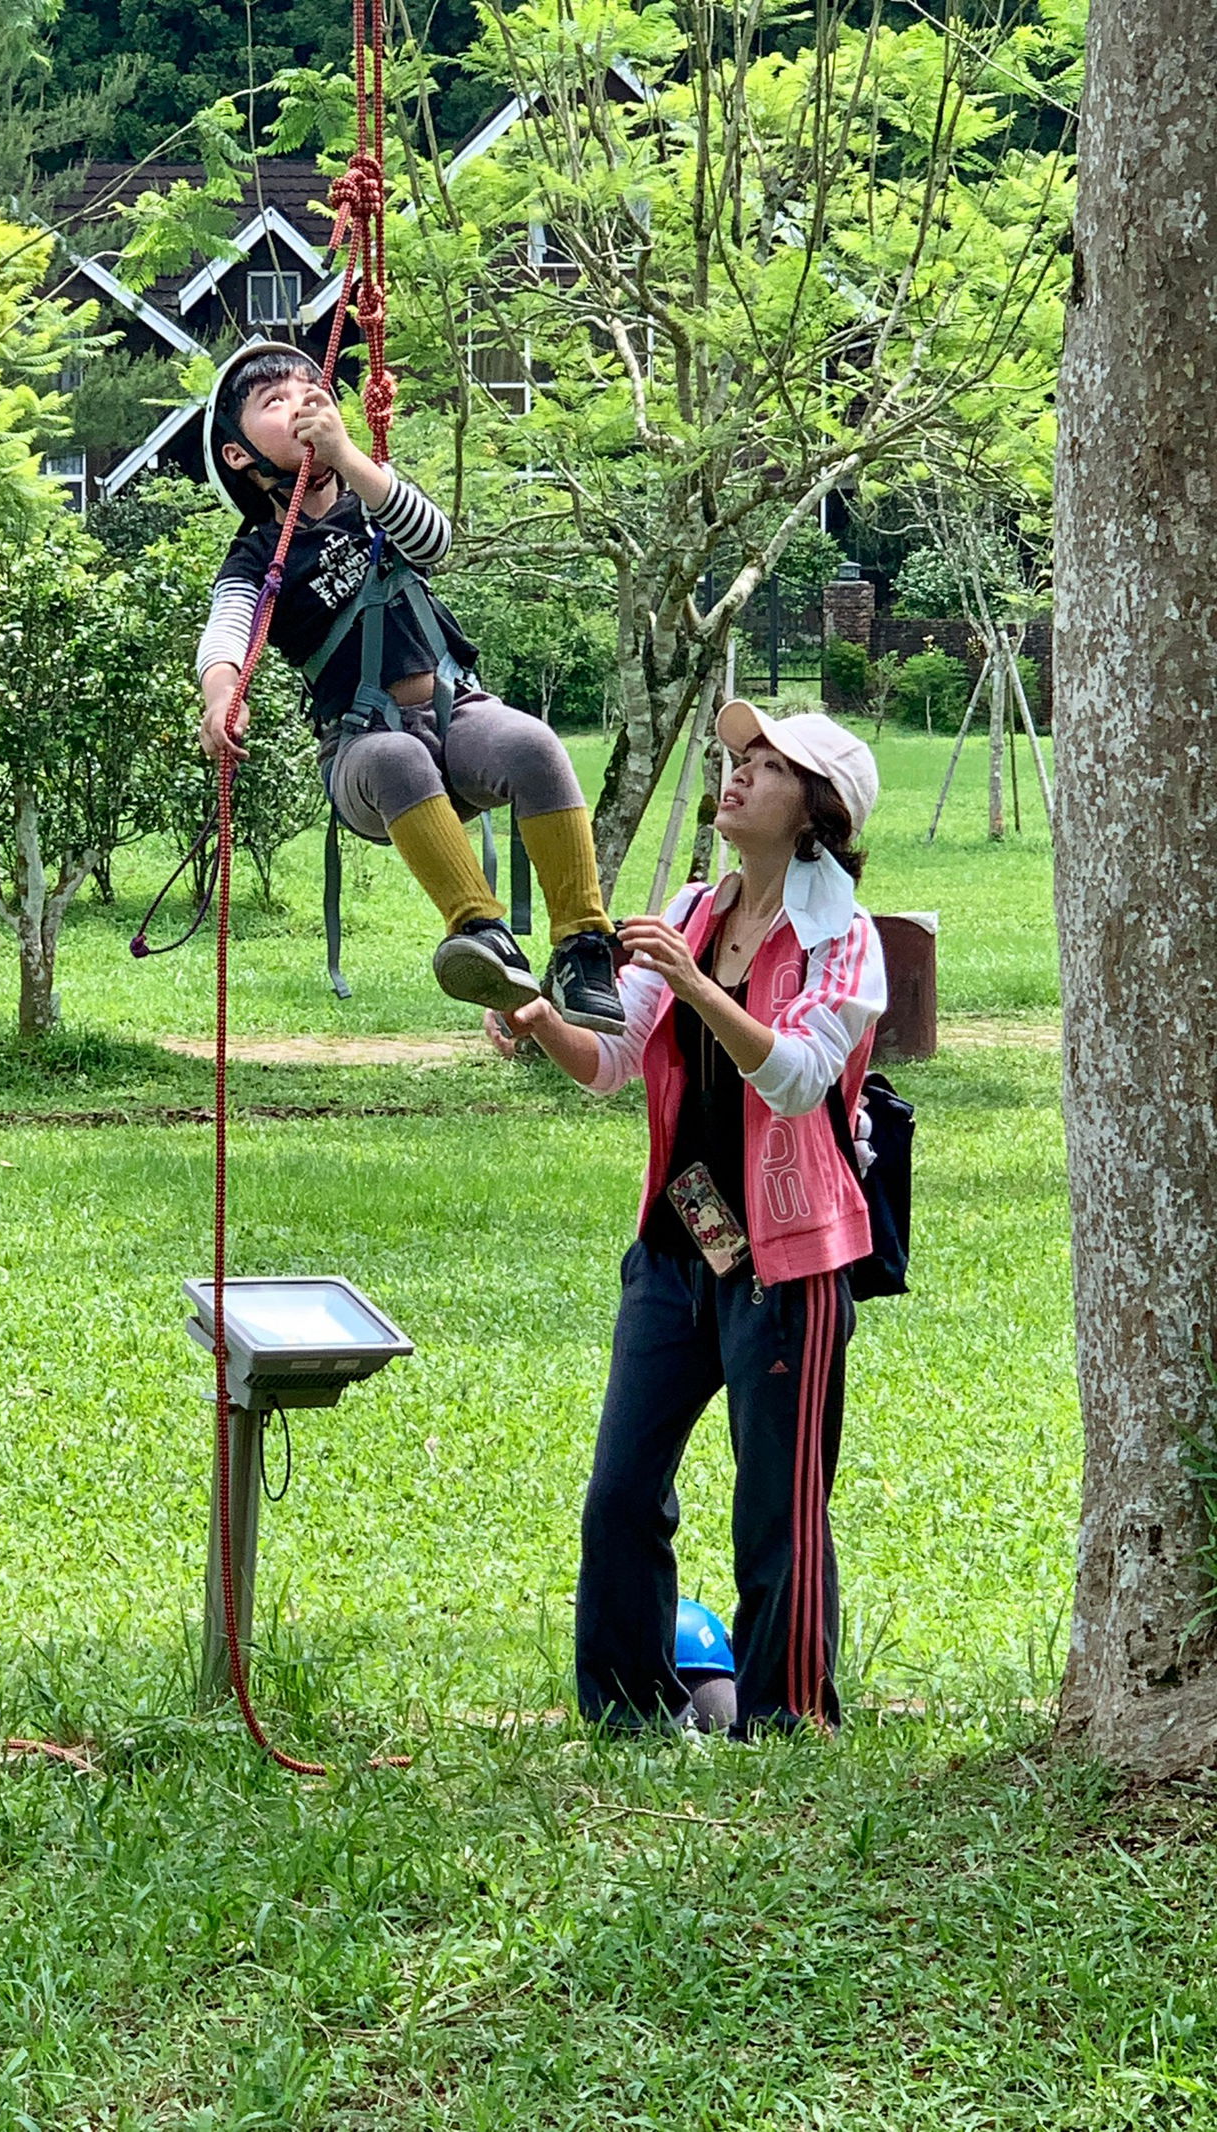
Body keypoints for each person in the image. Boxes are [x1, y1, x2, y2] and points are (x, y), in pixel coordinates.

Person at [488, 701, 886, 1736]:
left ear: (818, 810)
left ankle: (787, 1721)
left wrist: (691, 980)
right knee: (620, 1491)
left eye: (765, 765)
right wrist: (541, 1020)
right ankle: (627, 1712)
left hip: (787, 1263)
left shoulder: (845, 936)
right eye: (734, 759)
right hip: (681, 1240)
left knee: (777, 1513)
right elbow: (613, 1058)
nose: (737, 777)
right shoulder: (695, 908)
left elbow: (798, 1076)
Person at [195, 341, 624, 1033]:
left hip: (457, 713)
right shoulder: (256, 557)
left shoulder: (375, 499)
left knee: (534, 745)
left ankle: (584, 943)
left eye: (312, 391)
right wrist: (222, 699)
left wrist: (352, 460)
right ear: (240, 455)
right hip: (364, 751)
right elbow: (226, 635)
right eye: (274, 402)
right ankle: (479, 931)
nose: (302, 403)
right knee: (398, 757)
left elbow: (434, 544)